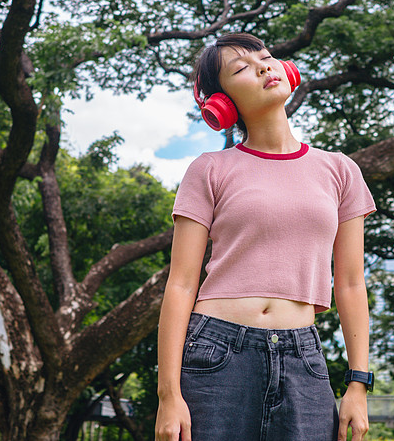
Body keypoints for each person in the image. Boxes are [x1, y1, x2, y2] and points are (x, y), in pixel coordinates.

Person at [154, 32, 376, 441]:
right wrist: (169, 395)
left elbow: (350, 283)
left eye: (267, 57)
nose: (263, 67)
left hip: (303, 359)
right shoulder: (209, 169)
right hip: (216, 354)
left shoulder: (341, 171)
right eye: (242, 68)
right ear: (222, 103)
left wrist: (358, 385)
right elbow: (181, 284)